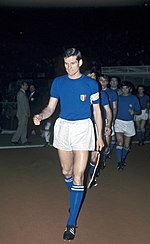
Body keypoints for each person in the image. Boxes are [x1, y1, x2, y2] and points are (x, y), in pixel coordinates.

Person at [33, 48, 104, 241]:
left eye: (73, 63)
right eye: (66, 63)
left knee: (78, 175)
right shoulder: (58, 82)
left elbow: (97, 111)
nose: (69, 67)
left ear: (80, 63)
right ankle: (75, 193)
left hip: (83, 128)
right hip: (63, 127)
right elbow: (50, 107)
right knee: (66, 172)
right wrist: (41, 114)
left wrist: (99, 136)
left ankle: (71, 223)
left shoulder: (91, 84)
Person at [85, 69, 112, 187]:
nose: (92, 78)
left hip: (96, 125)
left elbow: (108, 111)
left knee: (94, 153)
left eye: (94, 76)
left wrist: (108, 125)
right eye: (89, 76)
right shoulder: (80, 91)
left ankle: (92, 176)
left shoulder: (102, 94)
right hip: (82, 125)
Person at [114, 81, 141, 170]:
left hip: (129, 123)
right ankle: (119, 162)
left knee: (126, 145)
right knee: (120, 142)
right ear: (121, 89)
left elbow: (139, 111)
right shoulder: (118, 98)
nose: (124, 90)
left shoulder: (134, 98)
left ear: (130, 89)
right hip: (118, 121)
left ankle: (123, 159)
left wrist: (134, 112)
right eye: (123, 88)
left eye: (126, 88)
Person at [98, 74, 118, 169]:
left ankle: (103, 159)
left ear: (108, 82)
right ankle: (96, 162)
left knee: (107, 144)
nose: (103, 82)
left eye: (105, 81)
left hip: (106, 120)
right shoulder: (94, 91)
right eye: (101, 80)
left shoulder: (112, 93)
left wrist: (112, 120)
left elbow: (114, 108)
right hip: (95, 121)